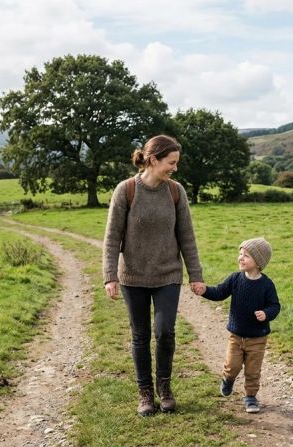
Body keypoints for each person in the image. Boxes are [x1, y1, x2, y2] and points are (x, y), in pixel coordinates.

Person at [102, 134, 205, 417]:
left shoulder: (176, 192)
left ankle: (165, 388)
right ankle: (145, 393)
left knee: (165, 331)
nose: (175, 168)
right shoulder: (125, 191)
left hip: (168, 275)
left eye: (176, 163)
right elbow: (112, 238)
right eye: (171, 162)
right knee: (140, 335)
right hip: (133, 276)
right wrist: (110, 275)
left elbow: (187, 237)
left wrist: (195, 275)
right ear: (152, 160)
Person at [194, 237, 280, 413]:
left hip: (257, 338)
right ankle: (228, 378)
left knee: (253, 371)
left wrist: (267, 313)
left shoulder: (267, 285)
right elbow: (219, 292)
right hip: (236, 336)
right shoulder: (235, 279)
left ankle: (250, 397)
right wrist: (205, 291)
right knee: (232, 365)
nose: (241, 258)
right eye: (240, 254)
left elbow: (275, 305)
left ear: (259, 262)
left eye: (246, 255)